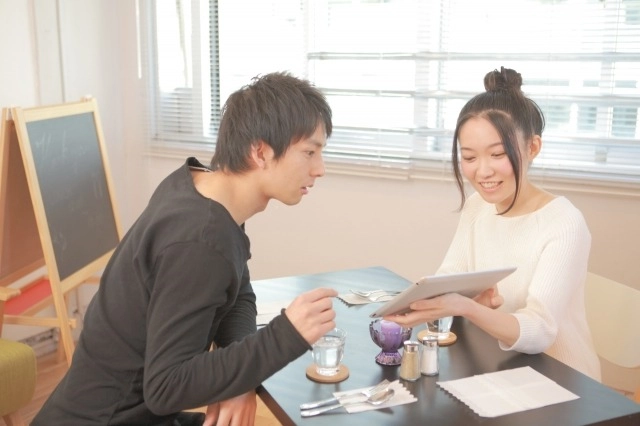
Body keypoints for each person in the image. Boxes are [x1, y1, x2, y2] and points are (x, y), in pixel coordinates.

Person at [32, 72, 338, 426]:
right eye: (309, 152)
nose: (320, 169)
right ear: (260, 152)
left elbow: (238, 293)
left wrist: (240, 380)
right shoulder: (200, 239)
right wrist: (286, 335)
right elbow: (166, 387)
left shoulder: (207, 191)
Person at [385, 67, 600, 381]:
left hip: (560, 379)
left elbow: (540, 330)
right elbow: (450, 279)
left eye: (497, 154)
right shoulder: (477, 207)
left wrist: (467, 308)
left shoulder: (563, 222)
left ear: (532, 148)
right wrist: (425, 301)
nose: (482, 172)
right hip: (498, 367)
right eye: (470, 158)